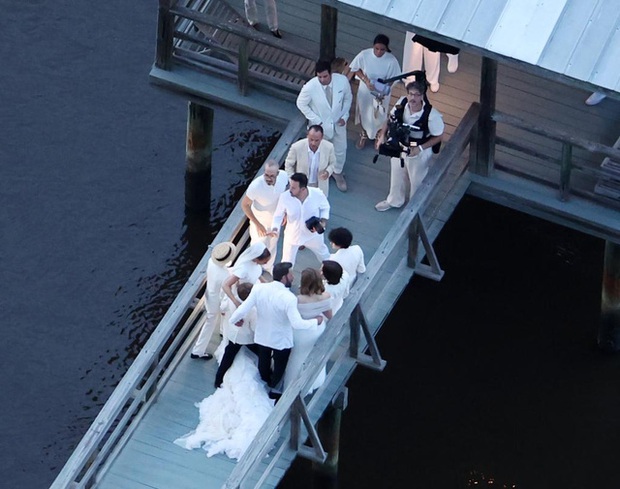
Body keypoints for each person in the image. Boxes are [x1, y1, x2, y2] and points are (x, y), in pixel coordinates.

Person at [228, 262, 323, 401]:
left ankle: (265, 381)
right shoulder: (289, 298)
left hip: (263, 336)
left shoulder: (259, 289)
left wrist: (233, 320)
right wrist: (316, 321)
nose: (293, 277)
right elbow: (297, 324)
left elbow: (243, 308)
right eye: (291, 274)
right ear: (284, 277)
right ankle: (274, 389)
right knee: (279, 366)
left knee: (263, 363)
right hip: (281, 340)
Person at [374, 76, 445, 212]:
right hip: (399, 145)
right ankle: (394, 200)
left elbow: (439, 136)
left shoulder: (431, 115)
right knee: (397, 174)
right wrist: (382, 134)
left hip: (418, 151)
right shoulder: (402, 103)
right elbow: (390, 118)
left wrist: (419, 148)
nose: (413, 98)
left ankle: (415, 207)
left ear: (422, 96)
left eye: (417, 95)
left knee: (417, 180)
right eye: (410, 94)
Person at [296, 59, 352, 192]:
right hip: (320, 128)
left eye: (325, 76)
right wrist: (316, 120)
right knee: (318, 152)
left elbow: (347, 98)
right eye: (319, 77)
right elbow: (301, 103)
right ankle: (318, 176)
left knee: (340, 149)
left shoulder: (342, 81)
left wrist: (344, 116)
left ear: (331, 73)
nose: (322, 79)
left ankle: (337, 173)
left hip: (338, 123)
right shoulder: (310, 87)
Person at [283, 268, 332, 393]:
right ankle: (313, 381)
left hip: (301, 331)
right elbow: (329, 315)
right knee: (313, 354)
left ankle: (292, 384)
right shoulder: (326, 297)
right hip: (317, 330)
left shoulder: (297, 299)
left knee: (296, 357)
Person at [349, 34, 401, 149]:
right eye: (376, 49)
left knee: (380, 114)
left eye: (382, 49)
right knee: (364, 112)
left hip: (381, 92)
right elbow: (355, 68)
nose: (379, 52)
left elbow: (394, 78)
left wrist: (384, 88)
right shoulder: (364, 54)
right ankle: (363, 133)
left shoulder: (391, 60)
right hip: (366, 89)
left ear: (386, 49)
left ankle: (378, 134)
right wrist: (366, 80)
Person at [270, 172, 331, 266]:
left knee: (325, 255)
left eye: (293, 188)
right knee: (286, 264)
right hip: (292, 237)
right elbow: (278, 216)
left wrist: (323, 222)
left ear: (303, 189)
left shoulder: (317, 194)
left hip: (313, 236)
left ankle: (333, 272)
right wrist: (275, 229)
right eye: (290, 186)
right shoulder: (284, 197)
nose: (290, 189)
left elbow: (325, 207)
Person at [190, 241, 237, 360]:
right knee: (210, 322)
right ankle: (198, 350)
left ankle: (219, 332)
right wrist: (223, 309)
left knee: (211, 320)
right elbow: (224, 295)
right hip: (217, 299)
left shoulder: (211, 261)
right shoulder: (224, 276)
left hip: (209, 294)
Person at [241, 159, 288, 273]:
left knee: (272, 244)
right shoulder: (256, 186)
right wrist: (258, 225)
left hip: (275, 220)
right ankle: (254, 271)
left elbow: (285, 194)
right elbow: (245, 205)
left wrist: (285, 212)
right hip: (260, 220)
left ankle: (268, 266)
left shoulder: (284, 176)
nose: (268, 178)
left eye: (272, 176)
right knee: (258, 248)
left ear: (277, 173)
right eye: (266, 175)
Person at [214, 282, 259, 389]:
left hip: (232, 334)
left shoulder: (231, 300)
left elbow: (223, 307)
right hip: (247, 338)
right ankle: (268, 374)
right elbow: (254, 327)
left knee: (227, 358)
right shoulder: (252, 310)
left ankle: (218, 380)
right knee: (262, 354)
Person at [285, 125, 336, 197]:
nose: (313, 143)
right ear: (307, 136)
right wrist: (293, 181)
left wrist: (328, 172)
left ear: (322, 138)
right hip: (301, 185)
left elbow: (333, 163)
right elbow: (288, 165)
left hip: (320, 186)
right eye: (311, 139)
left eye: (316, 140)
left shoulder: (329, 147)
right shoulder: (297, 147)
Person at [221, 242, 270, 308]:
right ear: (256, 259)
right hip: (244, 294)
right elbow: (225, 285)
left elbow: (255, 271)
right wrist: (235, 301)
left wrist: (263, 280)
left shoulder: (256, 263)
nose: (266, 263)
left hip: (254, 287)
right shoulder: (243, 269)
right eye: (265, 262)